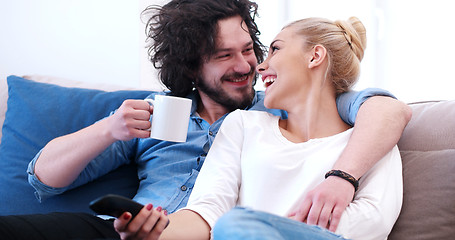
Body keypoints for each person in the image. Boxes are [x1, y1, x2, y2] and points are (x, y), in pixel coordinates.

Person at [0, 0, 410, 239]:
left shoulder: (276, 108)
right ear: (192, 67)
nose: (249, 65)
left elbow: (388, 111)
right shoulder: (158, 113)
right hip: (132, 231)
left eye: (250, 49)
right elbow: (42, 178)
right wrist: (109, 130)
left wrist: (343, 177)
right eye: (223, 56)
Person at [116, 16, 402, 240]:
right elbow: (207, 211)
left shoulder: (368, 142)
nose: (260, 66)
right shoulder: (243, 124)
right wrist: (155, 232)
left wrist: (259, 227)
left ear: (315, 56)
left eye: (275, 49)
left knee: (235, 222)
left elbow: (372, 224)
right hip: (234, 232)